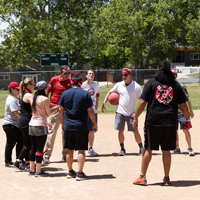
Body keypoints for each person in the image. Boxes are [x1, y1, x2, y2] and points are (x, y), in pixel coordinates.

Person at [132, 60, 190, 186]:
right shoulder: (175, 85)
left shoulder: (151, 83)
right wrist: (188, 119)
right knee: (166, 150)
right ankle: (166, 178)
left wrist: (136, 117)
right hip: (169, 122)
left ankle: (142, 177)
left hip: (153, 121)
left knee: (148, 149)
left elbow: (142, 102)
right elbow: (184, 105)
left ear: (158, 69)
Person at [59, 73, 97, 181]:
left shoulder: (65, 93)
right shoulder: (85, 94)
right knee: (81, 150)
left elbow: (60, 109)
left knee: (69, 149)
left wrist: (63, 123)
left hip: (69, 125)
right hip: (81, 125)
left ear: (72, 82)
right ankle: (79, 173)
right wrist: (94, 123)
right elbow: (90, 110)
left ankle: (70, 171)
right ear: (80, 82)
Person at [102, 68, 144, 156]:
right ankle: (122, 149)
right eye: (123, 75)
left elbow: (142, 101)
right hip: (120, 112)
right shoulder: (119, 85)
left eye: (126, 75)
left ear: (130, 75)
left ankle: (141, 147)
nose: (124, 77)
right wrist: (104, 102)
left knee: (135, 131)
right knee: (120, 131)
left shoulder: (136, 86)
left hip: (131, 113)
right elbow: (110, 92)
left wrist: (136, 113)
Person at [28, 81, 58, 177]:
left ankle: (31, 170)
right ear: (44, 89)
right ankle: (38, 171)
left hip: (32, 124)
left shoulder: (32, 97)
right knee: (39, 149)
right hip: (40, 125)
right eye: (46, 88)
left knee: (33, 148)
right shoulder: (44, 99)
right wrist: (55, 109)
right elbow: (48, 114)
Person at [43, 65, 72, 164]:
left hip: (67, 111)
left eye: (69, 73)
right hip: (55, 110)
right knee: (52, 132)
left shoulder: (70, 82)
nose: (68, 75)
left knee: (66, 133)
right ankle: (47, 155)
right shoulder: (54, 80)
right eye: (66, 73)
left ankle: (65, 154)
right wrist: (46, 107)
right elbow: (47, 93)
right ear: (61, 73)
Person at [170, 70, 195, 156]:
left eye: (174, 75)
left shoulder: (181, 86)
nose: (173, 76)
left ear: (176, 76)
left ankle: (190, 147)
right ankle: (176, 148)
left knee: (185, 130)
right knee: (174, 131)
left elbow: (187, 98)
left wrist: (190, 110)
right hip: (172, 113)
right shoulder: (167, 87)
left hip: (182, 112)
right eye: (171, 75)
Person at [14, 78, 35, 171]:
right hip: (25, 121)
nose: (35, 86)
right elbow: (35, 107)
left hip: (22, 120)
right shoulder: (29, 95)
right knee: (29, 144)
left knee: (27, 143)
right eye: (34, 84)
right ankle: (18, 161)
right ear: (29, 86)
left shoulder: (23, 94)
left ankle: (27, 162)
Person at [3, 82, 23, 167]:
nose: (19, 91)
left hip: (15, 124)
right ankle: (8, 162)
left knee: (20, 142)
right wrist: (25, 116)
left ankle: (19, 160)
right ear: (12, 89)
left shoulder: (14, 98)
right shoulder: (12, 100)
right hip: (11, 125)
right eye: (17, 89)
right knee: (11, 143)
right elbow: (16, 112)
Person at [81, 68, 99, 156]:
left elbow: (97, 95)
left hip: (93, 111)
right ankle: (80, 149)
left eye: (93, 74)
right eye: (89, 74)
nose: (91, 75)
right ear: (86, 75)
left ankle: (90, 148)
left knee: (92, 130)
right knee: (83, 130)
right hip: (84, 111)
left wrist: (97, 105)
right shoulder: (82, 85)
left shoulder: (95, 85)